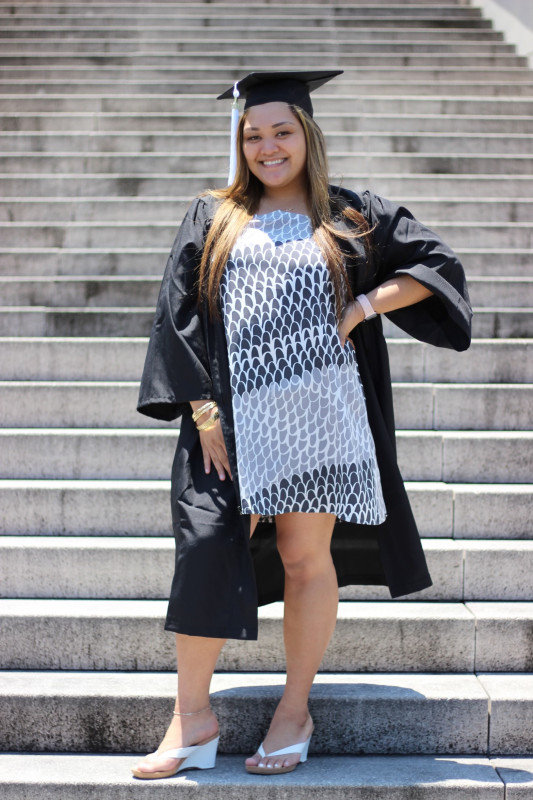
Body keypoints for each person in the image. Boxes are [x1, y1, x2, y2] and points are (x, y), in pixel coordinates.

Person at [133, 70, 472, 779]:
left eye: (281, 131)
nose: (266, 146)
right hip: (229, 421)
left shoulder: (350, 213)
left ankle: (294, 711)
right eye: (252, 135)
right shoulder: (213, 215)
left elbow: (435, 266)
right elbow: (179, 316)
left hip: (319, 417)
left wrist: (361, 306)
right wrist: (202, 412)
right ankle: (190, 717)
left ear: (307, 135)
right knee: (206, 546)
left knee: (303, 559)